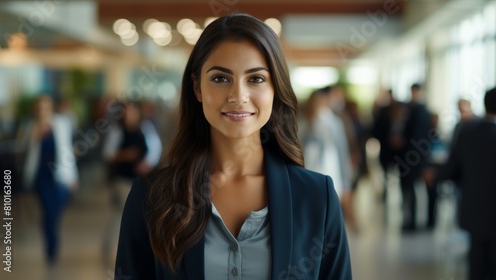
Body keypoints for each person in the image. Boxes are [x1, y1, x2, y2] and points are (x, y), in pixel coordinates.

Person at [115, 14, 351, 280]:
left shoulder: (317, 197)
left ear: (276, 87)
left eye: (256, 79)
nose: (238, 96)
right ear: (197, 87)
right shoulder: (152, 197)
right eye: (220, 78)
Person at [436, 87, 496, 280]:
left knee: (476, 263)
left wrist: (435, 175)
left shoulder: (467, 132)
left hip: (475, 210)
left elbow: (453, 168)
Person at [102, 101, 162, 263]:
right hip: (123, 178)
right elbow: (108, 154)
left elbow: (155, 148)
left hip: (141, 179)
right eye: (127, 113)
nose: (131, 116)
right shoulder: (117, 131)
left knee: (132, 214)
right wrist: (124, 155)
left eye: (133, 112)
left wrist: (146, 164)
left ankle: (133, 249)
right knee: (123, 213)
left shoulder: (145, 128)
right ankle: (116, 249)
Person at [21, 95, 78, 264]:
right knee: (49, 212)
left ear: (51, 108)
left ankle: (52, 243)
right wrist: (36, 136)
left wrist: (73, 176)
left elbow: (67, 150)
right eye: (39, 108)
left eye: (45, 107)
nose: (42, 111)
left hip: (60, 177)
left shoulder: (61, 124)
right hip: (41, 177)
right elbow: (26, 151)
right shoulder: (31, 127)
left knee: (55, 213)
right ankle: (51, 248)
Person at [398, 83, 432, 232]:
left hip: (413, 157)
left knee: (411, 190)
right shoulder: (417, 110)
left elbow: (416, 136)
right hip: (417, 156)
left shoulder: (418, 111)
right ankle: (419, 221)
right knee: (413, 190)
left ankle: (412, 222)